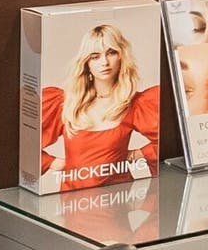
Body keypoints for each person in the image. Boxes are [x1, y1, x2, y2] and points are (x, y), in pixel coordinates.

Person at [37, 23, 159, 184]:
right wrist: (52, 162)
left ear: (122, 56)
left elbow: (177, 144)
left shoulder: (137, 104)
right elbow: (22, 143)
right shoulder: (64, 103)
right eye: (95, 56)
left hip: (118, 199)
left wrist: (139, 154)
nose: (105, 62)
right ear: (86, 62)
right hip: (73, 201)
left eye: (111, 53)